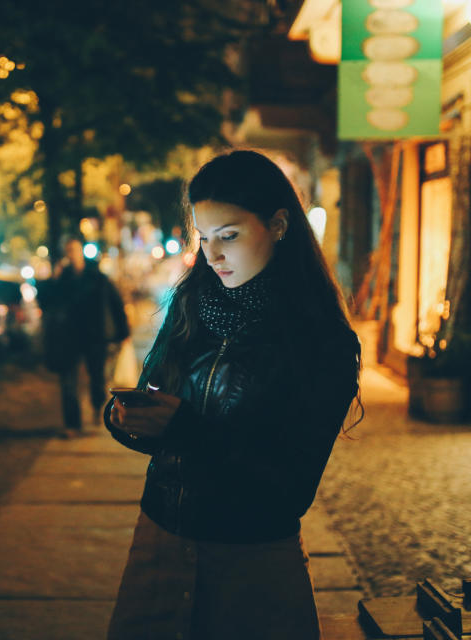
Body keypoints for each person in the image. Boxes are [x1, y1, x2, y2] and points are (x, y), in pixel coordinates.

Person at [104, 149, 363, 639]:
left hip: (251, 559)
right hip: (160, 541)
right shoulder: (192, 305)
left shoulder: (317, 339)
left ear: (279, 225)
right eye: (204, 238)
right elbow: (156, 397)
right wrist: (129, 418)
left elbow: (291, 483)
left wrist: (182, 430)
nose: (213, 255)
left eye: (230, 236)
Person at [40, 236, 130, 437]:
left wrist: (124, 332)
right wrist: (52, 280)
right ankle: (72, 424)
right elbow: (46, 303)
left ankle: (98, 407)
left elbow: (115, 303)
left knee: (97, 377)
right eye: (68, 251)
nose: (71, 255)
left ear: (80, 252)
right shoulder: (61, 279)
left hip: (95, 336)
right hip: (68, 337)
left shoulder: (97, 277)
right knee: (68, 382)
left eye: (74, 250)